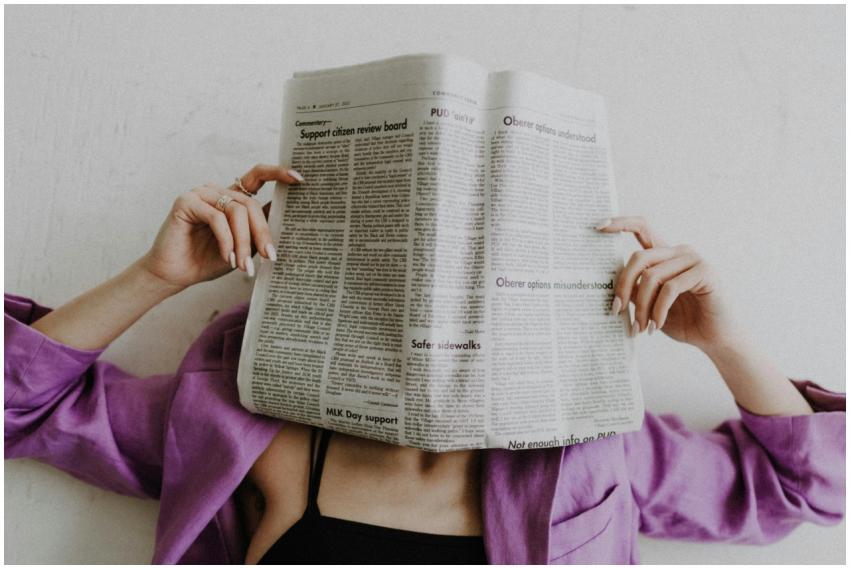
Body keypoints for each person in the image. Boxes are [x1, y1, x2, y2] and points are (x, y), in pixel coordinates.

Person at [4, 163, 844, 564]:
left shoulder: (593, 450)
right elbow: (16, 405)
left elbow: (814, 486)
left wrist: (724, 341)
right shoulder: (237, 420)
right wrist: (156, 277)